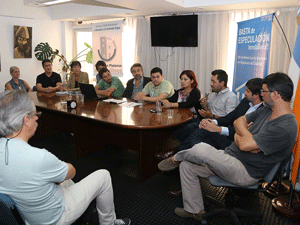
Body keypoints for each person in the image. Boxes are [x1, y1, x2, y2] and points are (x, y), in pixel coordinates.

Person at [158, 73, 298, 221]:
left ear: (275, 95)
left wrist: (242, 137)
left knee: (201, 148)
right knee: (187, 166)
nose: (261, 95)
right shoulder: (266, 110)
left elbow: (243, 144)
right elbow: (238, 121)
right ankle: (194, 211)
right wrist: (246, 135)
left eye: (264, 92)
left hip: (245, 171)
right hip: (231, 157)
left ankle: (176, 157)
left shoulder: (285, 126)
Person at [0, 90, 131, 225]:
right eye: (34, 114)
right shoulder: (39, 157)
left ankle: (83, 212)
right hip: (55, 217)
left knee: (64, 181)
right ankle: (109, 222)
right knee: (104, 176)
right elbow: (71, 171)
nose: (37, 118)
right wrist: (62, 165)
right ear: (25, 120)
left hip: (27, 215)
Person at [158, 78, 264, 196]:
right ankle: (181, 163)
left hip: (236, 144)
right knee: (198, 135)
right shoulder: (245, 102)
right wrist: (212, 121)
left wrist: (217, 128)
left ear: (256, 95)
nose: (244, 93)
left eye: (248, 91)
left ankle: (176, 154)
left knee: (203, 133)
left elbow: (243, 133)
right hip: (229, 135)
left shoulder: (263, 112)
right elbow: (230, 118)